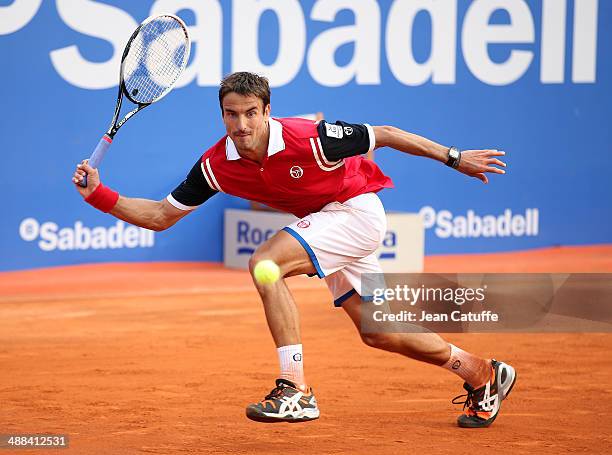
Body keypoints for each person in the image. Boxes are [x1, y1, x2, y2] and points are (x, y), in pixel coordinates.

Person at [72, 72, 515, 428]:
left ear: (267, 111)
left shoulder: (313, 137)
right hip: (330, 223)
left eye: (250, 113)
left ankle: (295, 388)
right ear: (221, 115)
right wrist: (99, 195)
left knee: (265, 263)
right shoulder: (215, 165)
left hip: (357, 211)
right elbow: (160, 216)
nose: (241, 125)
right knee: (379, 332)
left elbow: (387, 134)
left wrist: (454, 157)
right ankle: (480, 372)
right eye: (231, 115)